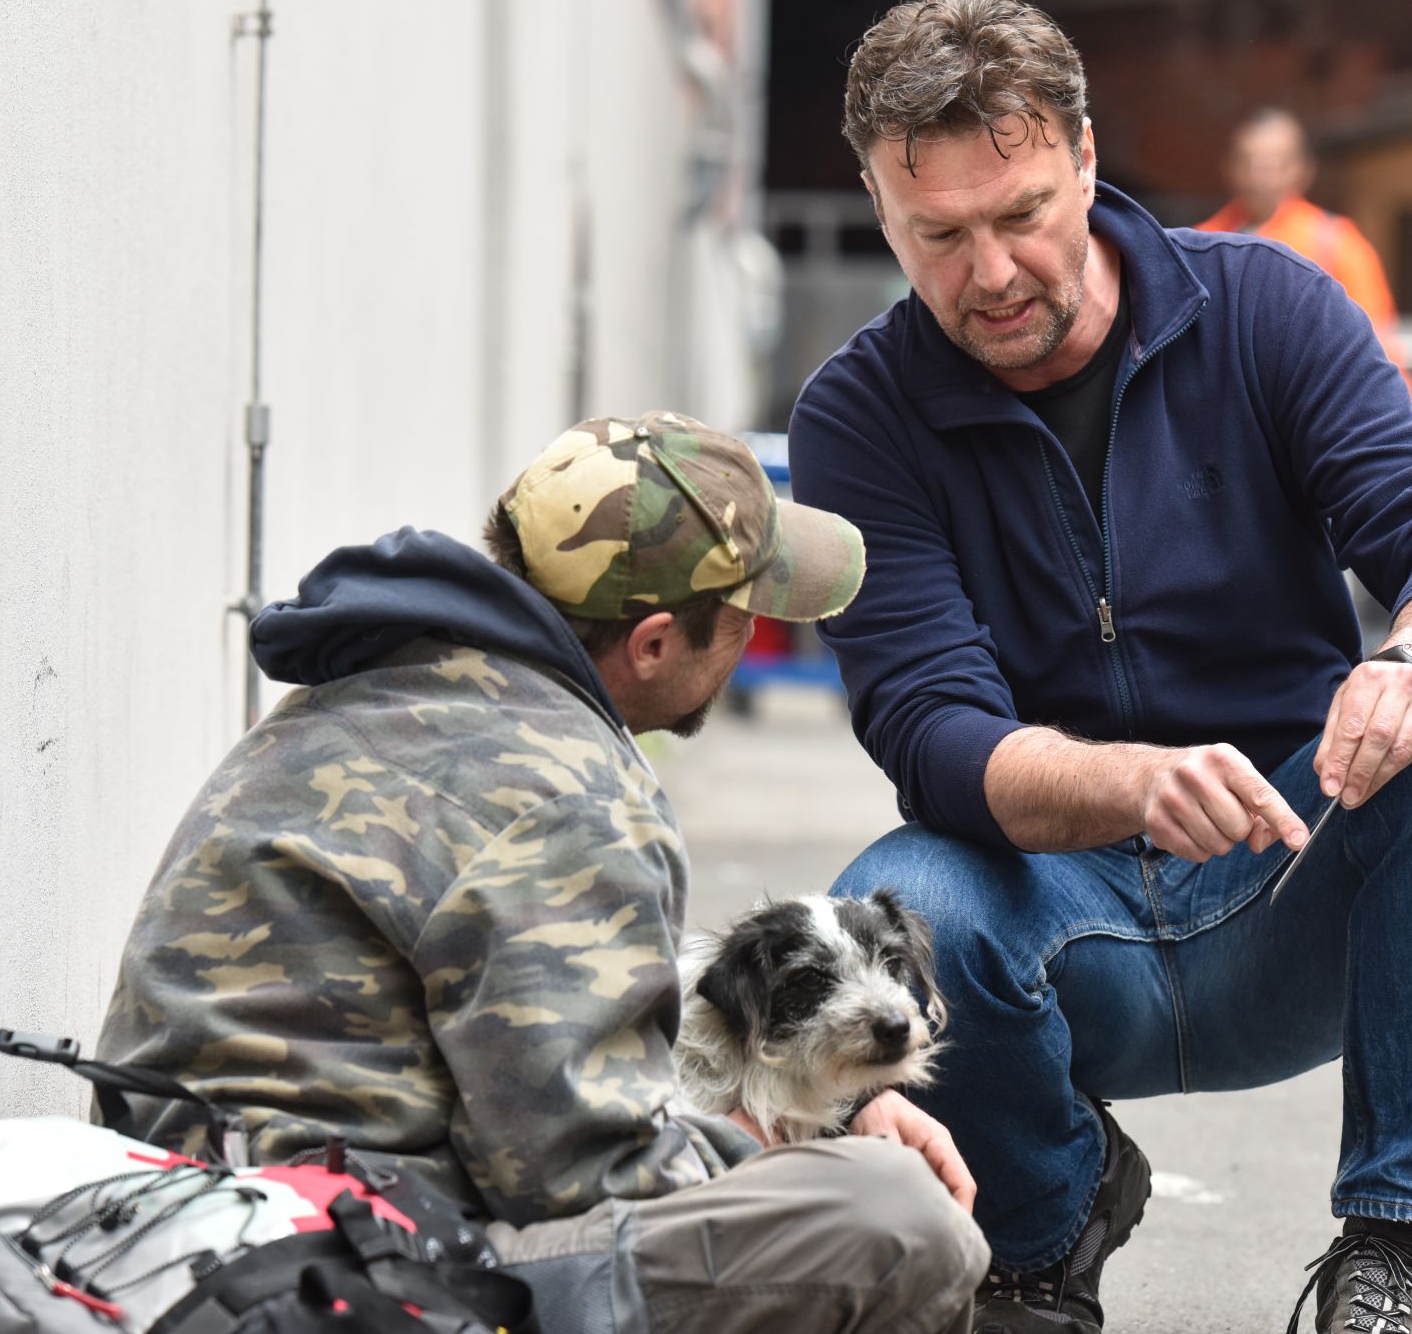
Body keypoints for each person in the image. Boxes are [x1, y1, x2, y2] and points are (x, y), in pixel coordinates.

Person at [787, 0, 1412, 1334]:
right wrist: (1130, 781)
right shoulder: (860, 413)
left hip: (1298, 865)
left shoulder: (1267, 308)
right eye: (938, 235)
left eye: (1021, 212)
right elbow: (931, 727)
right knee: (886, 911)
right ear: (878, 205)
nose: (989, 274)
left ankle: (1396, 1245)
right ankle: (1044, 1223)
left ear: (1085, 160)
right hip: (1053, 913)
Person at [98, 412, 989, 1333]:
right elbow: (578, 1175)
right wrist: (805, 1150)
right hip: (327, 1267)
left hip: (185, 1219)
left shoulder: (363, 690)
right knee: (896, 1219)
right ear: (651, 643)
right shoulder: (569, 791)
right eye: (739, 615)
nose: (749, 633)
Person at [1196, 106, 1412, 402]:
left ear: (1303, 169)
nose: (1261, 175)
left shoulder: (1336, 242)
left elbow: (1379, 342)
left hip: (1315, 404)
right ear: (1230, 167)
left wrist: (1395, 410)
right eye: (1250, 162)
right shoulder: (1203, 243)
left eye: (1274, 163)